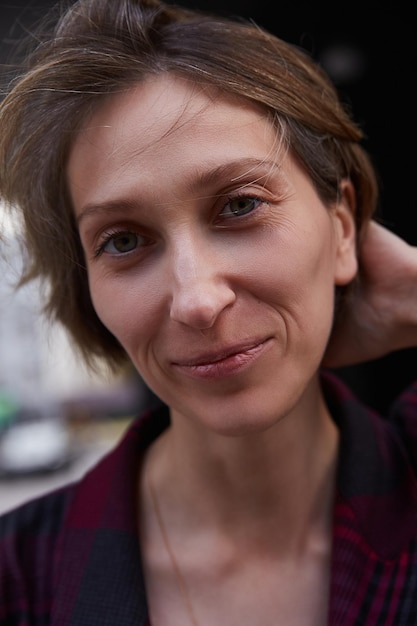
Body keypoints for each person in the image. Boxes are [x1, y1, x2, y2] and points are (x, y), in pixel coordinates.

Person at [1, 0, 417, 624]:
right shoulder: (18, 576)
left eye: (240, 205)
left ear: (341, 229)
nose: (197, 300)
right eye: (122, 241)